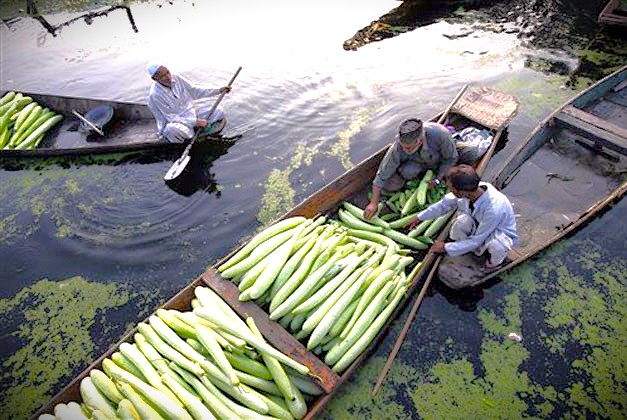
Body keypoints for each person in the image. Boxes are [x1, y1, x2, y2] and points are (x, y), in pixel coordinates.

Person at [408, 164, 518, 271]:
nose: (450, 191)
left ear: (460, 192)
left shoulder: (494, 209)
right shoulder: (471, 190)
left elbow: (477, 240)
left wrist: (444, 247)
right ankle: (461, 247)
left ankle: (493, 265)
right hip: (478, 223)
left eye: (451, 189)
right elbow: (443, 206)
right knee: (461, 222)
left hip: (495, 231)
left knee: (497, 246)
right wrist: (419, 217)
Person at [364, 118, 458, 219]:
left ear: (420, 141)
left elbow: (450, 159)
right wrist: (373, 203)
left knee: (472, 153)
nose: (404, 149)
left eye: (408, 148)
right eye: (403, 146)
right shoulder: (398, 146)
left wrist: (438, 179)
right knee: (397, 180)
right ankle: (419, 177)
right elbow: (382, 174)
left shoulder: (441, 134)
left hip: (439, 160)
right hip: (418, 164)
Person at [146, 62, 231, 143]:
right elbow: (172, 118)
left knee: (219, 111)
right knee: (171, 130)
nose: (168, 77)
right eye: (162, 76)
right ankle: (187, 137)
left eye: (167, 72)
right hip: (177, 124)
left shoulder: (176, 78)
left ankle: (194, 130)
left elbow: (194, 90)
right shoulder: (155, 95)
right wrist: (195, 122)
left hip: (191, 114)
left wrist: (219, 90)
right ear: (155, 79)